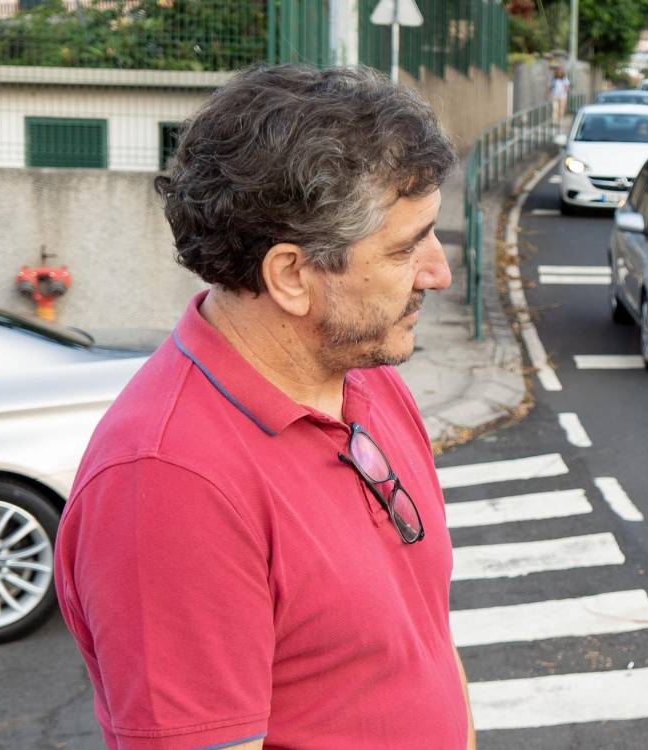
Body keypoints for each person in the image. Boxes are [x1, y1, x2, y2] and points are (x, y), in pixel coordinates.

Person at [54, 65, 474, 750]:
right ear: (291, 276)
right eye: (405, 248)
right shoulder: (168, 484)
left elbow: (425, 639)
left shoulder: (365, 380)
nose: (438, 271)